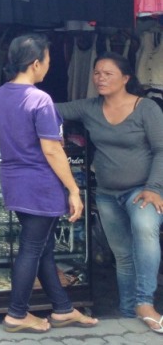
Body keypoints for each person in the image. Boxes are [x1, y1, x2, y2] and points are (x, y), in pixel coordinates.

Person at [0, 33, 97, 333]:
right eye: (48, 62)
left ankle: (63, 309)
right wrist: (73, 189)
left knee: (42, 248)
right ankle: (17, 314)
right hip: (40, 185)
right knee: (32, 248)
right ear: (36, 63)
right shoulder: (40, 100)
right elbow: (52, 149)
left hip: (14, 183)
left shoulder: (0, 94)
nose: (49, 68)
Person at [56, 52, 163, 334]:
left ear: (126, 78)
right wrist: (9, 101)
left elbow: (161, 150)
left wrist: (154, 188)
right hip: (106, 193)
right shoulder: (90, 107)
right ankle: (129, 313)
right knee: (123, 255)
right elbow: (51, 109)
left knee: (145, 231)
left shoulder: (147, 108)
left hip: (142, 191)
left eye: (108, 73)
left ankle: (144, 302)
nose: (100, 78)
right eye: (96, 73)